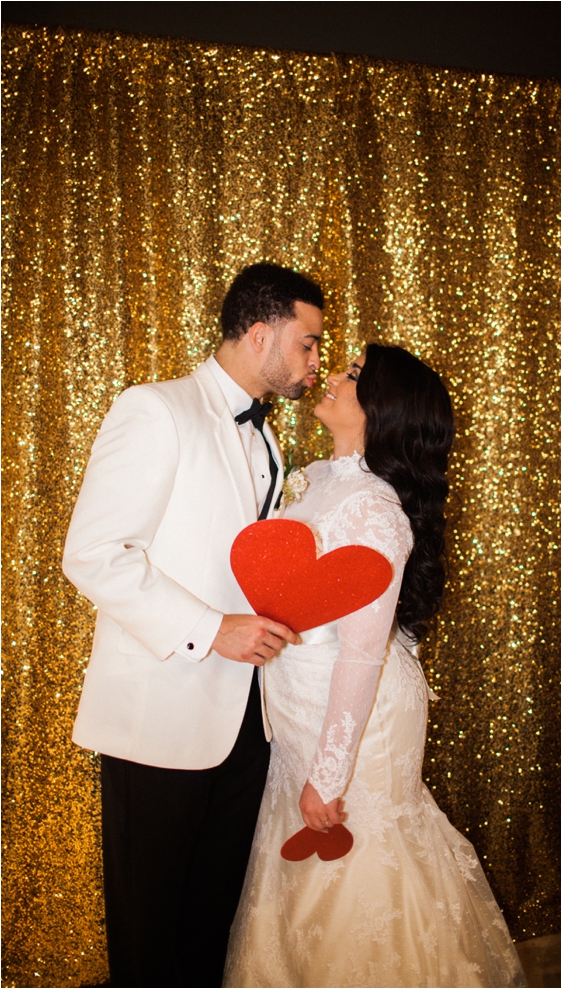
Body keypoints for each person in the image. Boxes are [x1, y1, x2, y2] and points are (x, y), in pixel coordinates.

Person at [224, 344, 527, 988]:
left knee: (359, 876)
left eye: (355, 376)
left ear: (386, 410)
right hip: (301, 713)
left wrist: (329, 775)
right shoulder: (314, 478)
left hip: (355, 720)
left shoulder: (374, 509)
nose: (331, 376)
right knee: (299, 877)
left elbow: (362, 649)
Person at [62, 263, 324, 987]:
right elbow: (91, 554)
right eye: (306, 344)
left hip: (248, 723)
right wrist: (213, 628)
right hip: (161, 716)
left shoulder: (270, 441)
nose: (313, 362)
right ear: (262, 333)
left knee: (212, 927)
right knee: (150, 936)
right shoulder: (155, 409)